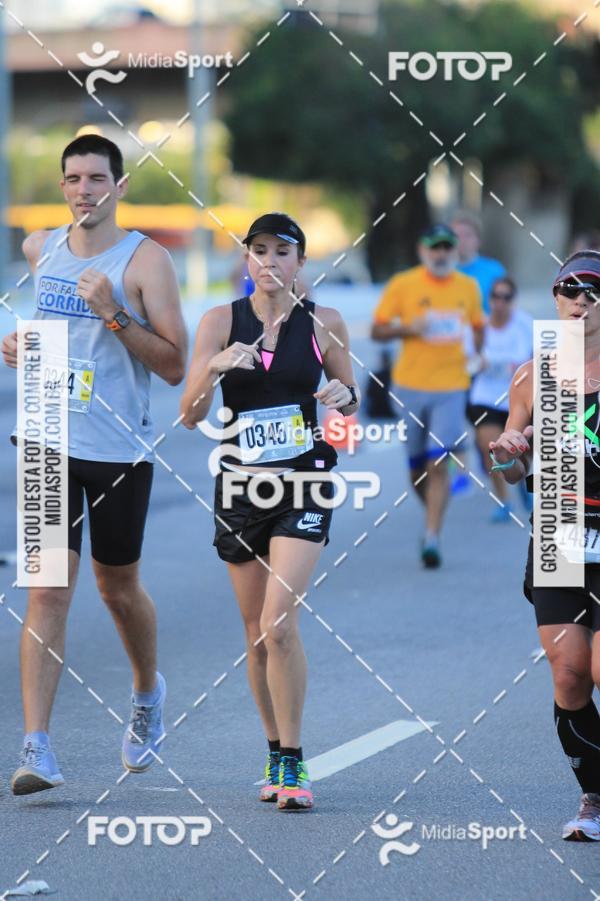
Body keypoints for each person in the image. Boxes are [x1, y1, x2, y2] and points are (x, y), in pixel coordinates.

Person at [1, 134, 188, 794]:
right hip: (48, 435)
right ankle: (37, 747)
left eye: (97, 178)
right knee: (47, 590)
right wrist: (16, 345)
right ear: (62, 187)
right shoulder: (39, 249)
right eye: (74, 178)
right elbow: (45, 330)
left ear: (120, 185)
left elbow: (173, 366)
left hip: (117, 449)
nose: (85, 189)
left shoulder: (147, 261)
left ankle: (146, 693)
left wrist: (113, 314)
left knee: (116, 589)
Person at [180, 212, 359, 810]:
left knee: (280, 624)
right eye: (259, 251)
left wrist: (343, 397)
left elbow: (350, 397)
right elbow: (189, 412)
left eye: (283, 252)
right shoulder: (217, 321)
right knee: (256, 636)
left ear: (301, 263)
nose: (270, 262)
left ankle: (296, 762)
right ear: (246, 260)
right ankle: (274, 747)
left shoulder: (324, 324)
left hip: (304, 481)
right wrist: (211, 369)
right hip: (240, 487)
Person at [491, 249, 600, 841]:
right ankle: (595, 795)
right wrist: (509, 451)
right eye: (569, 290)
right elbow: (514, 467)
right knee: (568, 673)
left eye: (593, 291)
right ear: (555, 298)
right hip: (560, 529)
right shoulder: (536, 373)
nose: (581, 301)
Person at [371, 224, 485, 568]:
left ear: (454, 252)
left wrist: (476, 354)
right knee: (416, 469)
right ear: (423, 251)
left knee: (438, 463)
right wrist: (408, 328)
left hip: (451, 385)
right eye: (434, 248)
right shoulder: (403, 284)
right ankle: (432, 516)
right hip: (410, 386)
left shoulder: (468, 287)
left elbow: (478, 327)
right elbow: (377, 330)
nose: (441, 254)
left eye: (447, 248)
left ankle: (432, 534)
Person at [467, 276, 532, 522]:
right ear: (490, 299)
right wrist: (477, 363)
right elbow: (468, 359)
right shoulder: (479, 327)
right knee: (490, 447)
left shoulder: (525, 324)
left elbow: (536, 357)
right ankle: (504, 500)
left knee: (522, 448)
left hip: (519, 397)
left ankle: (523, 482)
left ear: (512, 300)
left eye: (506, 297)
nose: (500, 302)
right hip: (485, 397)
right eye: (495, 297)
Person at [451, 210, 506, 314]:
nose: (462, 240)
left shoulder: (495, 270)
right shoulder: (441, 272)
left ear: (478, 240)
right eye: (457, 235)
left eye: (468, 235)